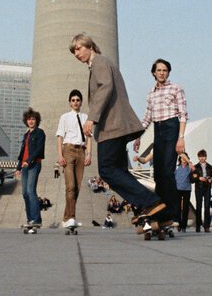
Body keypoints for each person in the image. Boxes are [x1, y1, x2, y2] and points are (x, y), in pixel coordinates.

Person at [70, 33, 171, 233]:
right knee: (120, 172)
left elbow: (105, 87)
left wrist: (92, 117)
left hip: (112, 126)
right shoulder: (101, 63)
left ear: (89, 46)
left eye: (79, 48)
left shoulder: (99, 61)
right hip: (115, 125)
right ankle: (159, 214)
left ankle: (150, 201)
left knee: (107, 170)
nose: (76, 53)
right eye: (74, 51)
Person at [133, 58, 188, 224]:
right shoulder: (151, 94)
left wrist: (181, 138)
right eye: (159, 70)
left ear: (168, 72)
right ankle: (160, 209)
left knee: (167, 172)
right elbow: (147, 118)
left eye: (165, 70)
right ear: (153, 73)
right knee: (158, 174)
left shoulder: (176, 89)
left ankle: (172, 213)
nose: (162, 73)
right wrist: (138, 136)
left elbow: (183, 114)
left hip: (172, 128)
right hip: (158, 130)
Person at [56, 89, 92, 229]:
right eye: (73, 100)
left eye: (78, 100)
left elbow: (89, 137)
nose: (75, 102)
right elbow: (60, 136)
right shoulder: (64, 117)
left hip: (81, 151)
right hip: (68, 150)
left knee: (77, 187)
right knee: (70, 186)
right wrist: (60, 155)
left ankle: (66, 218)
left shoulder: (85, 117)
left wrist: (89, 154)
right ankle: (71, 217)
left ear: (81, 102)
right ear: (70, 103)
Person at [15, 108, 46, 232]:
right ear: (26, 121)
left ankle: (36, 219)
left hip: (34, 165)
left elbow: (39, 149)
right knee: (24, 193)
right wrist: (18, 167)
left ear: (36, 120)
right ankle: (30, 220)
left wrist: (29, 160)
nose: (31, 121)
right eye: (29, 119)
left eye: (33, 119)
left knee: (30, 190)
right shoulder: (26, 135)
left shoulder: (40, 133)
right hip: (25, 166)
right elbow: (22, 153)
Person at [191, 149, 212, 232]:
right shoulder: (195, 167)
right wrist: (199, 178)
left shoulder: (210, 167)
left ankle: (207, 226)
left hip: (207, 188)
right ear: (198, 157)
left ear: (206, 157)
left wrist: (211, 179)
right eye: (200, 157)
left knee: (207, 207)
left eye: (203, 156)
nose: (202, 158)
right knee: (198, 207)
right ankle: (198, 225)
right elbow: (191, 178)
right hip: (199, 187)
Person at [175, 153, 194, 232]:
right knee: (178, 208)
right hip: (178, 189)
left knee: (186, 208)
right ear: (180, 159)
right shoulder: (177, 168)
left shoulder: (189, 168)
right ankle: (179, 224)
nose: (183, 160)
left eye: (185, 159)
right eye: (182, 158)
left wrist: (189, 162)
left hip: (187, 189)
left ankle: (184, 226)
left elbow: (194, 170)